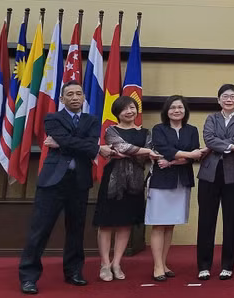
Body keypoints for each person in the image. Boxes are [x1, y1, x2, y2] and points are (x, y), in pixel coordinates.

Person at [18, 81, 104, 295]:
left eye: (79, 94)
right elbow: (89, 146)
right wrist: (87, 146)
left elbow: (85, 143)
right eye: (70, 94)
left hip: (79, 182)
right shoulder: (52, 118)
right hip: (52, 182)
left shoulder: (92, 121)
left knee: (76, 230)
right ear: (62, 99)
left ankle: (74, 272)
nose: (75, 97)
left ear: (84, 97)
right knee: (40, 230)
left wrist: (64, 143)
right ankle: (28, 277)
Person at [93, 96, 157, 282]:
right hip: (113, 180)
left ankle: (116, 262)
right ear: (117, 113)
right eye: (124, 109)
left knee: (125, 223)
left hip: (135, 181)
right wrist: (141, 151)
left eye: (132, 107)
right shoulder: (111, 130)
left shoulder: (146, 132)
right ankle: (104, 263)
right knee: (106, 222)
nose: (129, 111)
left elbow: (139, 154)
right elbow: (121, 146)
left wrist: (132, 152)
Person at [147, 95, 206, 282]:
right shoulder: (159, 129)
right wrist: (185, 155)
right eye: (172, 107)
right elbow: (164, 149)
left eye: (180, 107)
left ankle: (164, 263)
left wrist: (172, 162)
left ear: (185, 111)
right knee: (158, 223)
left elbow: (195, 156)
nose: (176, 110)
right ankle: (157, 266)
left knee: (170, 223)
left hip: (182, 181)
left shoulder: (192, 130)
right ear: (166, 111)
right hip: (161, 182)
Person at [197, 84, 234, 281]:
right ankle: (203, 265)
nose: (229, 99)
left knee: (231, 222)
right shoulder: (211, 118)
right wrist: (230, 146)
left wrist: (225, 144)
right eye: (225, 96)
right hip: (209, 174)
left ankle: (228, 265)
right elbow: (209, 139)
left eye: (233, 96)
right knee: (206, 221)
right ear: (218, 100)